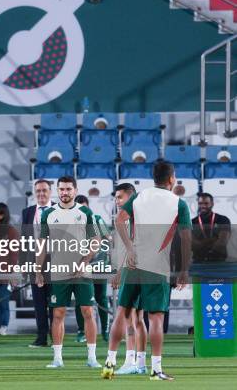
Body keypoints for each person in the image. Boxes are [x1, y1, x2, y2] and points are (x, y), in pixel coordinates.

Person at [102, 162, 191, 381]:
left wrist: (130, 248)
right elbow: (187, 239)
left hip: (134, 263)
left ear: (154, 178)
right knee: (156, 318)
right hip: (157, 266)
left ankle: (109, 364)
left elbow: (119, 220)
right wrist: (184, 270)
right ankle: (156, 369)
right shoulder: (179, 203)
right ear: (171, 179)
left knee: (122, 312)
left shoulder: (139, 197)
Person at [35, 176, 101, 368]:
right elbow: (42, 244)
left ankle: (92, 357)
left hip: (82, 272)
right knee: (58, 313)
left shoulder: (85, 212)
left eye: (68, 189)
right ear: (57, 190)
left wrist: (85, 261)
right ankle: (57, 358)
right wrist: (38, 271)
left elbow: (96, 240)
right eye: (61, 189)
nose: (64, 193)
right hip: (59, 271)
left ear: (75, 190)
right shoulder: (48, 213)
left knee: (88, 311)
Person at [110, 183, 148, 375]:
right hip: (135, 270)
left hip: (131, 271)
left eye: (120, 197)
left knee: (129, 318)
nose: (117, 201)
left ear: (131, 196)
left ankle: (130, 361)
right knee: (137, 319)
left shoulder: (130, 219)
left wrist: (118, 272)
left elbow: (129, 249)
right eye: (116, 198)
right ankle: (139, 363)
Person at [21, 179, 54, 348]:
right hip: (35, 262)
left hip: (56, 261)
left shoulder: (58, 209)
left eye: (44, 190)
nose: (41, 194)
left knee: (55, 302)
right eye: (38, 191)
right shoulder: (27, 212)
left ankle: (56, 338)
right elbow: (24, 240)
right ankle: (41, 337)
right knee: (39, 303)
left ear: (50, 191)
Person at [74, 195, 111, 343]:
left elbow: (108, 238)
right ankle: (81, 331)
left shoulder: (97, 219)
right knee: (80, 299)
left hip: (98, 265)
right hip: (80, 266)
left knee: (101, 297)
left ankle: (105, 330)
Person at [0, 202, 19, 335]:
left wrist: (11, 273)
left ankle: (4, 327)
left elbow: (14, 255)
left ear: (1, 215)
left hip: (5, 273)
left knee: (2, 300)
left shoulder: (11, 231)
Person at [191, 192, 230, 264]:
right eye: (200, 203)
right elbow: (193, 244)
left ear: (212, 204)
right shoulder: (192, 222)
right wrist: (213, 240)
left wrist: (202, 243)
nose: (203, 206)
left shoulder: (223, 219)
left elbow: (222, 242)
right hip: (198, 261)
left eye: (206, 203)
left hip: (219, 260)